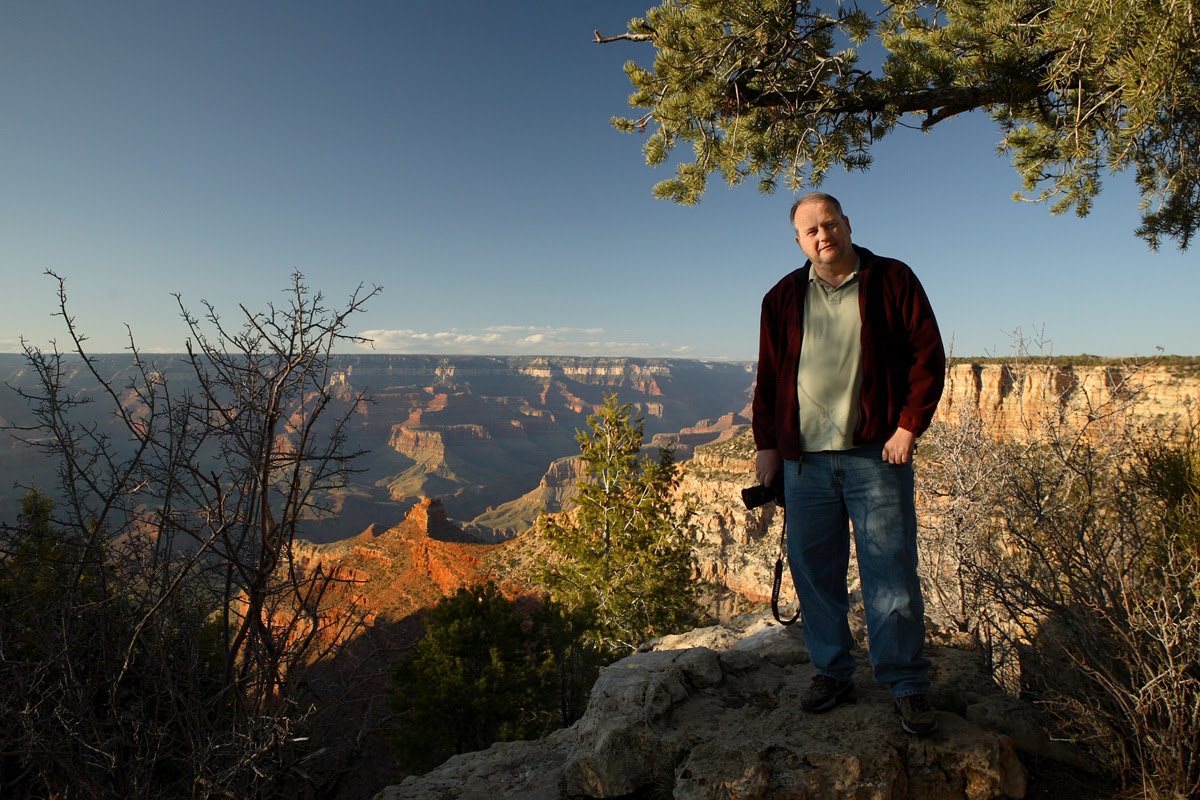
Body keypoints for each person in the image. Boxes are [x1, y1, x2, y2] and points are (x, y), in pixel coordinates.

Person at [752, 192, 945, 736]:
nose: (823, 235)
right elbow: (769, 377)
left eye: (830, 223)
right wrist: (767, 445)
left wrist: (908, 427)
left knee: (891, 574)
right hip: (804, 462)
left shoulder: (892, 280)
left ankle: (905, 683)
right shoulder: (781, 297)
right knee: (815, 573)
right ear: (798, 241)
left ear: (847, 224)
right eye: (811, 230)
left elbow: (927, 356)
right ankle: (833, 671)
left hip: (875, 454)